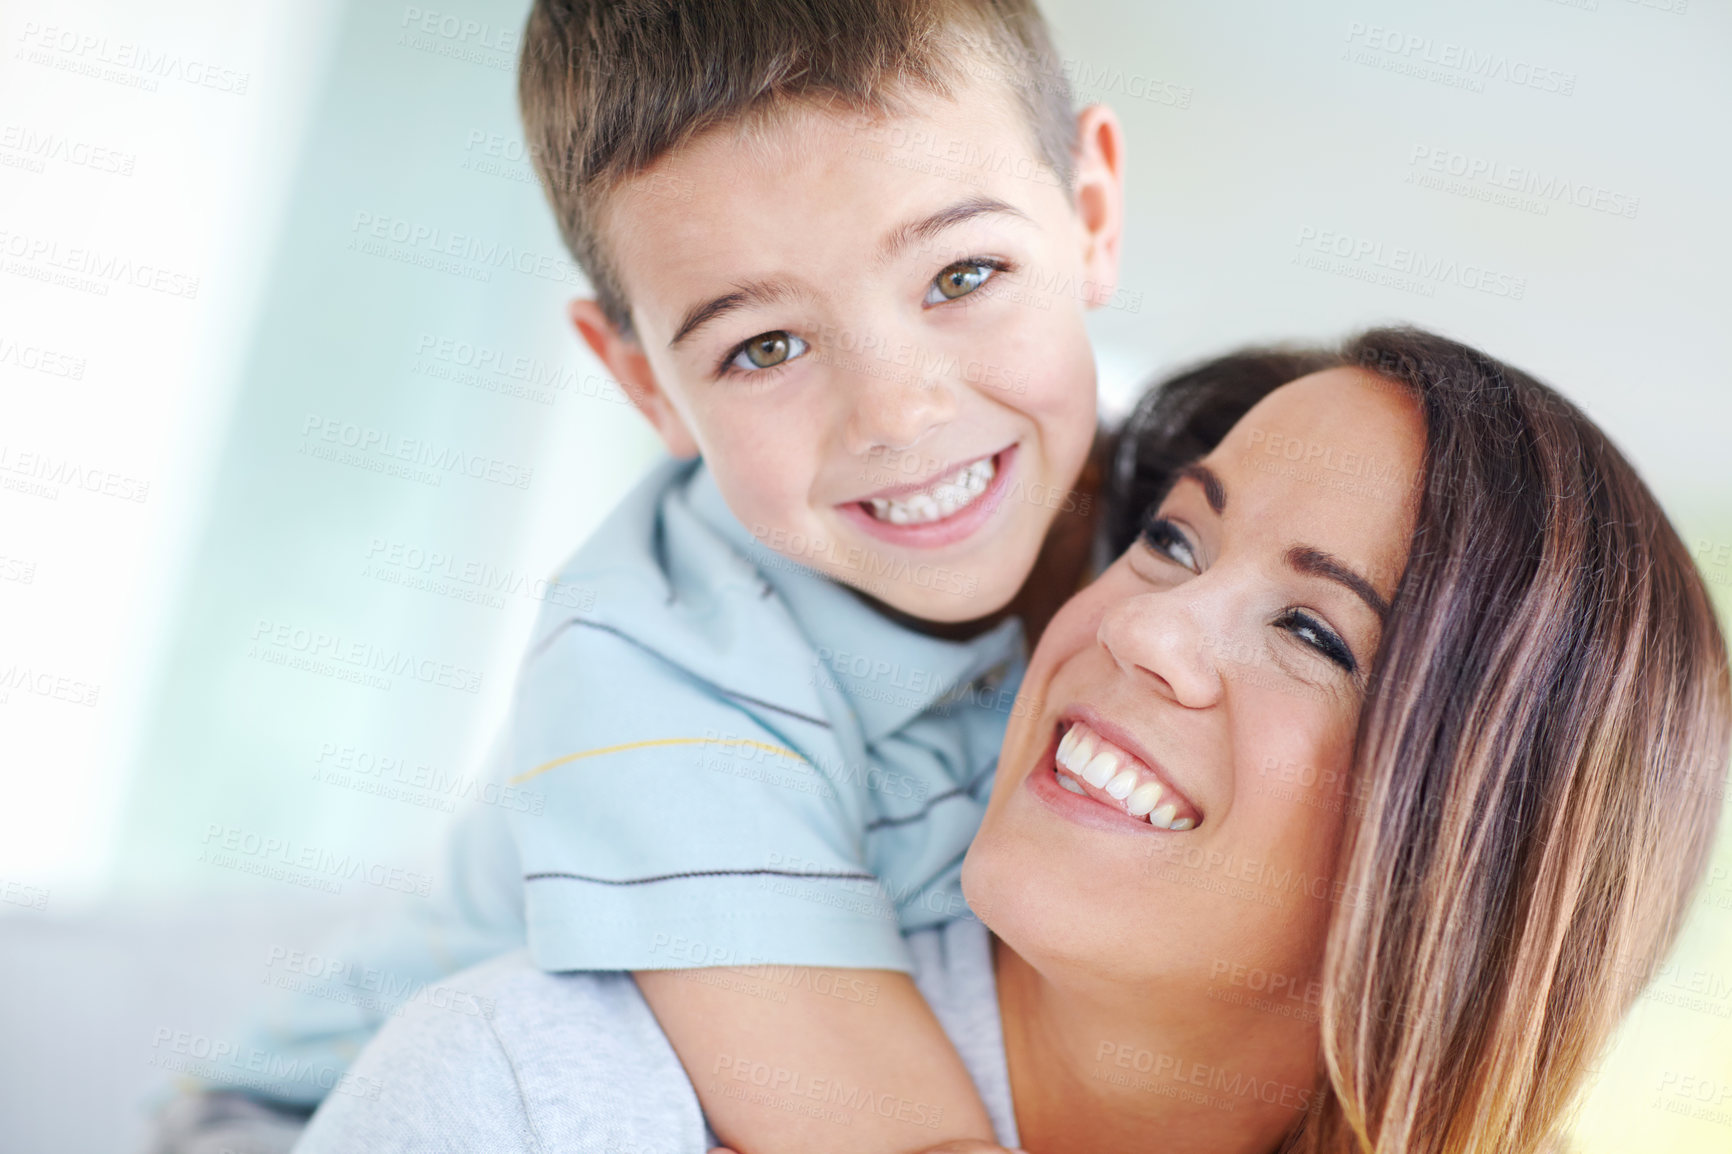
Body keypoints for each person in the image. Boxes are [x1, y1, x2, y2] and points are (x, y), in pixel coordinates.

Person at [290, 328, 1729, 1154]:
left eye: (1314, 633)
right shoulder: (538, 1097)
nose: (1143, 628)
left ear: (1468, 881)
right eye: (1175, 537)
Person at [158, 2, 1128, 1151]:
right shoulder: (645, 669)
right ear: (643, 381)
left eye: (962, 273)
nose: (898, 411)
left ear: (1090, 213)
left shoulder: (1192, 531)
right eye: (763, 345)